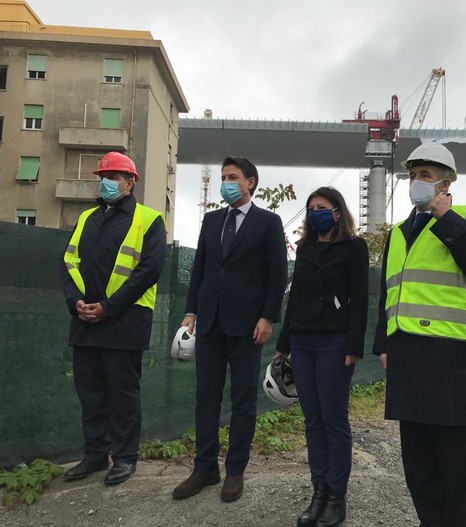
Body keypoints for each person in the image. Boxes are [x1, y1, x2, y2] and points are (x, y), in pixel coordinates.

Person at [373, 143, 466, 527]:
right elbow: (388, 292)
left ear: (446, 181)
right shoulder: (397, 232)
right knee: (417, 460)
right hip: (406, 353)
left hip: (447, 356)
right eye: (413, 175)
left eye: (425, 175)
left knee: (452, 459)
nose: (416, 182)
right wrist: (382, 343)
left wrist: (446, 220)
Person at [172, 156, 288, 502]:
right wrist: (190, 311)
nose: (226, 181)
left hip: (247, 326)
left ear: (250, 182)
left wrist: (268, 317)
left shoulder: (268, 222)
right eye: (223, 176)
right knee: (205, 398)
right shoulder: (211, 221)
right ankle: (205, 467)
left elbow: (277, 275)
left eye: (232, 176)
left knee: (242, 400)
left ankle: (235, 471)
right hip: (209, 322)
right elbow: (201, 270)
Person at [60, 151, 167, 486]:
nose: (105, 182)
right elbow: (67, 262)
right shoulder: (87, 218)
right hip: (85, 321)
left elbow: (149, 270)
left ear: (130, 182)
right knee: (90, 393)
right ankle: (94, 456)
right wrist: (76, 302)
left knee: (122, 393)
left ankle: (124, 458)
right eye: (103, 177)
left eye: (113, 177)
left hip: (124, 321)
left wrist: (108, 307)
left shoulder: (149, 220)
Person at [275, 187, 369, 527]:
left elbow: (360, 299)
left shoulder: (354, 248)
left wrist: (353, 347)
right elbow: (295, 296)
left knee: (334, 420)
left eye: (322, 207)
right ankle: (318, 491)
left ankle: (335, 496)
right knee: (312, 420)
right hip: (302, 342)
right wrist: (284, 342)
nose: (315, 212)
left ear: (337, 212)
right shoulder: (305, 248)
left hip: (334, 342)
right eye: (310, 207)